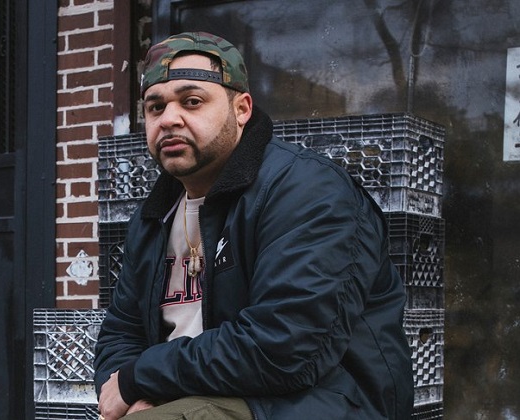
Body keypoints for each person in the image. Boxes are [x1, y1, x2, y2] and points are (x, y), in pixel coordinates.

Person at [94, 31, 414, 420]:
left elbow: (284, 347)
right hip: (188, 393)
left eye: (192, 101)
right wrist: (131, 395)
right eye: (155, 107)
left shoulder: (306, 191)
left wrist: (139, 378)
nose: (169, 119)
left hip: (316, 402)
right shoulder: (153, 217)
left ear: (242, 109)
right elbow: (120, 332)